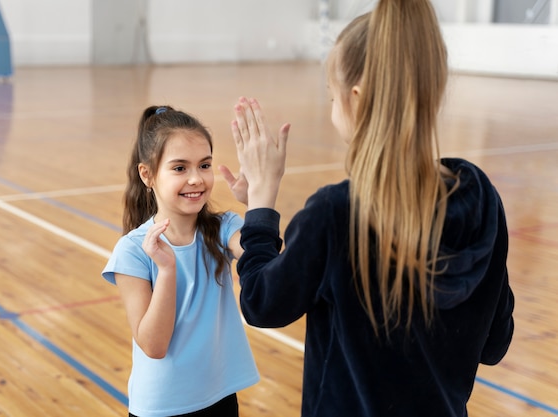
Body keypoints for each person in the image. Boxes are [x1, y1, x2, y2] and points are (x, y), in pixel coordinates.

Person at [218, 0, 515, 416]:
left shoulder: (335, 214)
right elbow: (495, 344)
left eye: (332, 98)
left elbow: (263, 303)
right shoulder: (482, 200)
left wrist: (261, 210)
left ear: (356, 99)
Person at [102, 105, 259, 417]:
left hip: (220, 396)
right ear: (147, 174)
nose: (196, 179)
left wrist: (257, 201)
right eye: (179, 168)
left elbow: (266, 260)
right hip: (162, 407)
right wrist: (167, 268)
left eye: (204, 165)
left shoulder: (224, 227)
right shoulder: (132, 251)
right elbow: (154, 345)